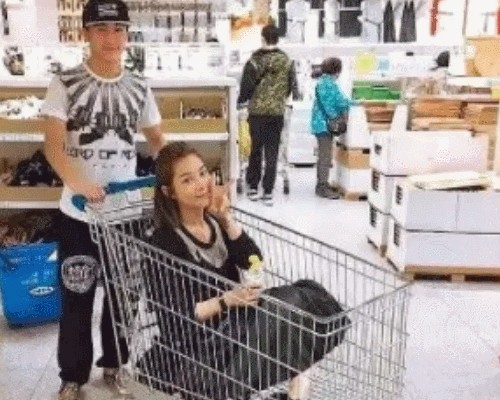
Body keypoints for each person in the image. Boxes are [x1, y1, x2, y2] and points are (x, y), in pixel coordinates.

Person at [41, 1, 165, 399]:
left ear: (127, 34)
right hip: (77, 214)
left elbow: (157, 141)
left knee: (124, 296)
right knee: (77, 294)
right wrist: (78, 183)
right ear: (86, 34)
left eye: (118, 30)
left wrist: (182, 175)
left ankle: (115, 364)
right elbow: (53, 146)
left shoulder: (140, 86)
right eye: (101, 29)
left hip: (125, 214)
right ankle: (72, 375)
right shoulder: (64, 83)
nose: (111, 38)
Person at [237, 23, 299, 206]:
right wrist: (277, 99)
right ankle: (268, 191)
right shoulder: (287, 61)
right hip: (277, 113)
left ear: (263, 38)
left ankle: (253, 187)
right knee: (272, 151)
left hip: (257, 112)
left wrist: (242, 100)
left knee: (255, 149)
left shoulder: (255, 60)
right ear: (278, 39)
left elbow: (246, 87)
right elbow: (291, 87)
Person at [311, 57, 353, 199]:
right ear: (337, 70)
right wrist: (351, 104)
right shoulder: (329, 84)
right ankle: (322, 186)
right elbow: (339, 102)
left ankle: (322, 183)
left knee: (323, 155)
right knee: (325, 156)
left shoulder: (322, 82)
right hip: (324, 124)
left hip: (319, 123)